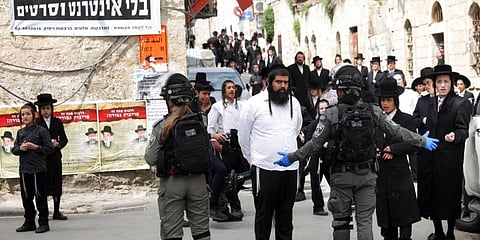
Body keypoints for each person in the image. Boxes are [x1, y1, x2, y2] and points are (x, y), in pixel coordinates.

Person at [273, 64, 438, 240]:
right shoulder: (374, 111)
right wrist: (423, 141)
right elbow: (397, 131)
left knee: (341, 221)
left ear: (340, 90)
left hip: (341, 176)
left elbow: (314, 145)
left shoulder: (330, 114)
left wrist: (292, 157)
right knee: (365, 221)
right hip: (367, 175)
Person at [238, 64, 303, 240]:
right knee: (264, 217)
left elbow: (296, 130)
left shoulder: (294, 103)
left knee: (285, 217)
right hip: (264, 168)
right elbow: (243, 136)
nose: (283, 86)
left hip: (289, 169)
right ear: (268, 82)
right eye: (279, 82)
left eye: (286, 82)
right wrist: (254, 160)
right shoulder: (254, 104)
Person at [145, 73, 211, 240]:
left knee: (172, 233)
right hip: (199, 182)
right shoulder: (201, 120)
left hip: (173, 184)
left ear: (169, 100)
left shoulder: (161, 127)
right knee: (202, 232)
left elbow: (150, 158)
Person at [417, 64, 472, 240]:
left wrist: (454, 135)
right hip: (431, 157)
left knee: (449, 196)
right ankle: (438, 231)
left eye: (446, 82)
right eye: (439, 82)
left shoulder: (460, 103)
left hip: (449, 159)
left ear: (452, 83)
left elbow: (463, 129)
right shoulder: (431, 102)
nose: (442, 85)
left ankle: (449, 233)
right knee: (432, 196)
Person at [374, 77, 420, 240]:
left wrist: (394, 149)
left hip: (400, 173)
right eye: (382, 100)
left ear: (395, 101)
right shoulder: (376, 121)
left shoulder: (406, 119)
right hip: (381, 174)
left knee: (404, 215)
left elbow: (414, 143)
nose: (385, 104)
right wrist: (376, 150)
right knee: (387, 220)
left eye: (388, 100)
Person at [208, 80, 248, 222]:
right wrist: (216, 144)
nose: (231, 90)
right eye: (228, 88)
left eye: (233, 87)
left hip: (240, 144)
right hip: (225, 143)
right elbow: (211, 128)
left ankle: (231, 203)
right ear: (224, 90)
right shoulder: (217, 107)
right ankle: (227, 206)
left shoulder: (243, 106)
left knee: (241, 175)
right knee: (227, 177)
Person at [12, 102, 54, 234]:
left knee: (40, 196)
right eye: (22, 114)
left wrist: (35, 147)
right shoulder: (20, 132)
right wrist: (21, 148)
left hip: (38, 169)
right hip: (24, 170)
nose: (25, 116)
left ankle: (43, 223)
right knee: (26, 197)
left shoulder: (42, 131)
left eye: (27, 114)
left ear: (34, 115)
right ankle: (29, 222)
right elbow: (14, 149)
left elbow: (49, 149)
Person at [34, 93, 69, 221]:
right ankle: (44, 211)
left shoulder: (57, 122)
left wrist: (58, 144)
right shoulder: (36, 123)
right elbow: (34, 140)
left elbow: (64, 139)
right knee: (42, 185)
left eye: (48, 108)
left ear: (51, 109)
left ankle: (56, 210)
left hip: (55, 158)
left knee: (56, 184)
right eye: (43, 108)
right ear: (39, 110)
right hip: (42, 159)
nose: (46, 111)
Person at [299, 98, 331, 216]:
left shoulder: (333, 123)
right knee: (316, 183)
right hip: (316, 157)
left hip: (329, 157)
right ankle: (318, 206)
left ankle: (339, 203)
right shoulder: (314, 124)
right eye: (321, 108)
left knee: (335, 181)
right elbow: (309, 141)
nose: (323, 110)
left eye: (325, 108)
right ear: (317, 110)